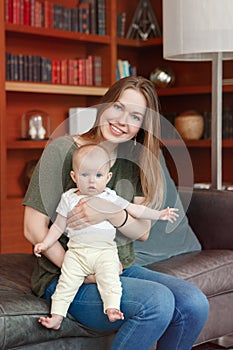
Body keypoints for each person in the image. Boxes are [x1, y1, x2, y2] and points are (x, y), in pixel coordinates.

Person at [23, 76, 209, 350]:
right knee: (156, 303)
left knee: (194, 303)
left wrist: (111, 212)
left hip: (116, 267)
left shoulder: (137, 161)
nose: (123, 120)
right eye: (118, 108)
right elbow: (32, 228)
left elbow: (141, 232)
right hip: (66, 275)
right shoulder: (63, 150)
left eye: (135, 116)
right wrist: (83, 273)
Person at [34, 144, 179, 329]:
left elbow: (135, 209)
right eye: (85, 175)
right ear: (74, 176)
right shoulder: (69, 198)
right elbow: (57, 226)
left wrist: (159, 214)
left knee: (110, 280)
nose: (92, 181)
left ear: (108, 177)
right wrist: (45, 244)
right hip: (76, 253)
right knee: (65, 285)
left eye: (98, 175)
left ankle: (112, 308)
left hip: (105, 252)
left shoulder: (110, 196)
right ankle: (56, 317)